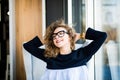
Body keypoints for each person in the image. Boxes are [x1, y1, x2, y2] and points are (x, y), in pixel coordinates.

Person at [23, 19, 107, 80]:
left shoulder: (83, 54)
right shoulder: (49, 57)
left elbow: (102, 36)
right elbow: (27, 46)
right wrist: (47, 39)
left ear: (70, 37)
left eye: (61, 33)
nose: (57, 37)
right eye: (54, 36)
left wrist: (81, 35)